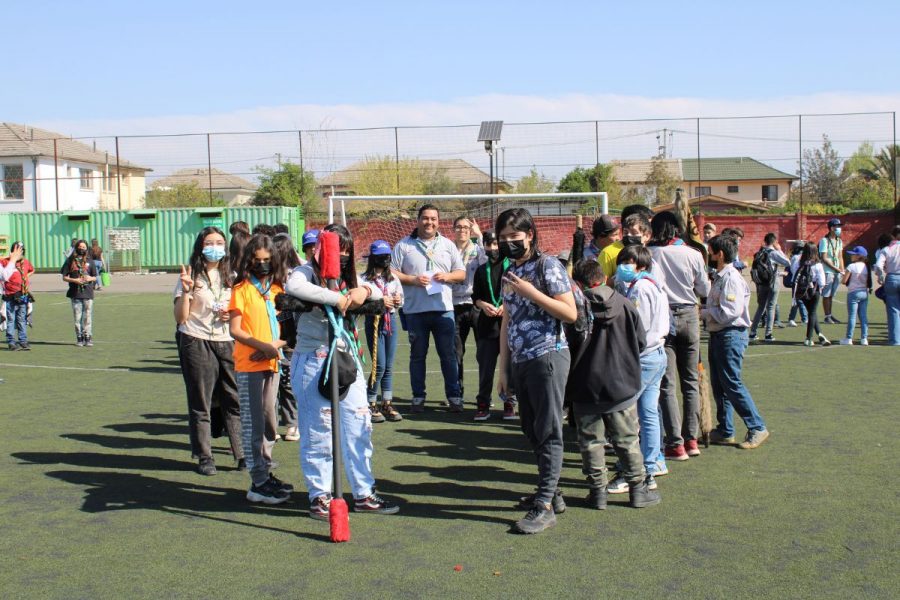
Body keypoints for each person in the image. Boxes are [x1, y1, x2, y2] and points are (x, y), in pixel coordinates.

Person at [285, 224, 399, 520]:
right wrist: (335, 298)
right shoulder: (306, 272)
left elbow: (373, 287)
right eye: (338, 250)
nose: (343, 256)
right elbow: (293, 288)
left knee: (359, 427)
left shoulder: (353, 277)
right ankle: (319, 496)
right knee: (318, 432)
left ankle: (364, 493)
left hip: (347, 361)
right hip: (313, 360)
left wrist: (361, 290)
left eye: (347, 250)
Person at [495, 208, 577, 535]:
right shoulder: (510, 270)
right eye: (502, 240)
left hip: (548, 356)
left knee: (548, 428)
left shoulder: (548, 266)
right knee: (530, 428)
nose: (508, 245)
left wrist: (532, 293)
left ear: (530, 235)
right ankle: (551, 490)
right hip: (521, 359)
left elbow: (569, 312)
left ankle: (544, 503)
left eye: (514, 239)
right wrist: (504, 368)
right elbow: (507, 320)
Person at [568, 259, 660, 510]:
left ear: (579, 283)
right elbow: (641, 341)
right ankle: (638, 490)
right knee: (628, 439)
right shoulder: (625, 303)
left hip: (585, 385)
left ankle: (598, 492)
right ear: (603, 277)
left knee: (590, 442)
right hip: (621, 384)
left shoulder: (574, 308)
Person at [227, 233, 293, 504]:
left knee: (269, 421)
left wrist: (272, 346)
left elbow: (289, 328)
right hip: (249, 365)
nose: (263, 264)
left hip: (271, 361)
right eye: (257, 260)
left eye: (267, 260)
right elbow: (235, 329)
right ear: (249, 261)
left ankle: (265, 471)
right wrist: (260, 346)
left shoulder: (279, 290)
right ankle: (257, 481)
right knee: (253, 422)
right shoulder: (241, 289)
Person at [174, 227, 244, 475]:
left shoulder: (233, 276)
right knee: (201, 402)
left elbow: (241, 310)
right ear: (200, 246)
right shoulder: (191, 275)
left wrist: (231, 314)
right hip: (196, 339)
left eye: (220, 242)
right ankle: (205, 456)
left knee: (233, 399)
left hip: (227, 340)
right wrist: (186, 291)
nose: (215, 247)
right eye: (210, 242)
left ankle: (242, 454)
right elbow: (181, 318)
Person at [607, 245, 670, 493]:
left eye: (629, 261)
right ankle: (653, 462)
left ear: (641, 264)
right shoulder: (651, 284)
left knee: (627, 415)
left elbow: (637, 327)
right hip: (656, 353)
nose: (624, 266)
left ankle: (632, 471)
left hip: (642, 356)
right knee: (649, 413)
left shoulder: (641, 289)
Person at [648, 211, 710, 461]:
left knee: (668, 384)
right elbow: (703, 288)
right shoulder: (694, 254)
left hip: (664, 315)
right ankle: (691, 438)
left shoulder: (652, 254)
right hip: (689, 313)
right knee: (690, 381)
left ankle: (675, 443)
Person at [391, 204, 466, 413]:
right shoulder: (403, 245)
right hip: (415, 311)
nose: (429, 222)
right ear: (417, 220)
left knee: (448, 356)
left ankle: (454, 397)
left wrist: (447, 276)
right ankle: (418, 396)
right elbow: (392, 272)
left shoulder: (448, 245)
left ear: (438, 221)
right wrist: (412, 280)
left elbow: (461, 273)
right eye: (425, 218)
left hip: (444, 311)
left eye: (433, 219)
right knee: (417, 356)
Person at [702, 234, 770, 449]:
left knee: (731, 383)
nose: (709, 256)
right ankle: (725, 429)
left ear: (719, 254)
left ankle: (757, 426)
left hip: (730, 333)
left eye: (711, 252)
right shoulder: (722, 276)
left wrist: (703, 312)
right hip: (720, 334)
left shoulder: (730, 278)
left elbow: (730, 312)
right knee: (720, 385)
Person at [471, 231, 516, 421]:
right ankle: (483, 404)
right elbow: (476, 297)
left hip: (509, 325)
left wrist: (505, 307)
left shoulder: (513, 269)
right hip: (487, 326)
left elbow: (519, 295)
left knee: (510, 367)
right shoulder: (481, 270)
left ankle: (509, 403)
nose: (493, 249)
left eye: (496, 244)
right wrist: (482, 305)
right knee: (486, 368)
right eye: (489, 245)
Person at [360, 240, 404, 422]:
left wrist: (396, 300)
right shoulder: (363, 279)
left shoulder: (393, 278)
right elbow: (360, 301)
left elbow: (401, 299)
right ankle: (370, 401)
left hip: (390, 320)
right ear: (372, 258)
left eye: (387, 256)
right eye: (380, 257)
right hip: (375, 321)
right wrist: (379, 302)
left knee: (389, 366)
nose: (385, 260)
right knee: (379, 365)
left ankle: (387, 401)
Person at [451, 216, 485, 401]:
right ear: (453, 229)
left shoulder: (477, 249)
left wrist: (479, 235)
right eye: (459, 227)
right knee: (456, 351)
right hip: (455, 305)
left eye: (466, 227)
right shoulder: (448, 249)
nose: (462, 230)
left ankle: (483, 395)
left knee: (483, 352)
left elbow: (488, 261)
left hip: (475, 305)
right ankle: (457, 393)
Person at [272, 233, 302, 442]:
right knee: (273, 382)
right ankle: (272, 424)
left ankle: (292, 423)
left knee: (288, 381)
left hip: (290, 334)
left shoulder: (296, 274)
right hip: (270, 333)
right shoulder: (267, 276)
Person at [749, 233, 791, 342]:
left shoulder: (759, 252)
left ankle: (753, 332)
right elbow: (787, 262)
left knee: (761, 307)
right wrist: (780, 250)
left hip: (761, 283)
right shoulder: (773, 253)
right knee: (771, 307)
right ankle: (768, 334)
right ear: (774, 242)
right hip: (773, 282)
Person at [792, 243, 831, 347]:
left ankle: (820, 334)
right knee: (812, 313)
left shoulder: (798, 262)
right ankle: (808, 338)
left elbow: (794, 275)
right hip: (814, 290)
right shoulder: (818, 265)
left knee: (811, 313)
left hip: (802, 291)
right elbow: (822, 282)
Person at [61, 239, 98, 347]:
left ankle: (88, 337)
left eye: (83, 247)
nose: (81, 249)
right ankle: (79, 337)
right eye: (80, 247)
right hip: (75, 293)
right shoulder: (70, 260)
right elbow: (64, 277)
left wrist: (90, 278)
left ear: (87, 248)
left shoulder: (90, 261)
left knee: (88, 316)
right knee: (77, 318)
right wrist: (75, 280)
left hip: (88, 293)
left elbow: (95, 277)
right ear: (76, 247)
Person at [2, 242, 34, 351]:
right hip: (10, 295)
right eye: (18, 250)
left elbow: (32, 270)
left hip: (22, 294)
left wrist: (25, 277)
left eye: (22, 251)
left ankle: (23, 341)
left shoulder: (25, 262)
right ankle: (11, 341)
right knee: (11, 319)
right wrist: (11, 258)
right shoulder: (6, 262)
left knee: (22, 318)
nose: (20, 253)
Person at [874, 225, 900, 345]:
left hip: (892, 278)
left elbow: (878, 265)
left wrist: (880, 276)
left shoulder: (886, 249)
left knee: (893, 310)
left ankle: (895, 340)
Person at [841, 246, 871, 346]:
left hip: (853, 293)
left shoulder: (851, 266)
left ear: (858, 256)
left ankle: (849, 338)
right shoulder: (866, 266)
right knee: (863, 316)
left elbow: (844, 281)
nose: (851, 256)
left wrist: (843, 275)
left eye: (853, 254)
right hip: (864, 293)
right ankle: (864, 338)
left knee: (852, 316)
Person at [818, 218, 845, 324]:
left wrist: (842, 269)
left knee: (831, 295)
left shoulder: (839, 241)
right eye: (837, 226)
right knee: (826, 294)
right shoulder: (824, 241)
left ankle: (830, 315)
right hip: (828, 271)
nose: (839, 228)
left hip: (837, 272)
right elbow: (823, 258)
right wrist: (837, 269)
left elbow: (840, 256)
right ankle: (827, 316)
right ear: (831, 228)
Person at [583, 215, 622, 280]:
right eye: (615, 235)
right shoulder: (584, 255)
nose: (618, 238)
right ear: (601, 236)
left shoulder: (620, 252)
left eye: (618, 234)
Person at [786, 242, 809, 327]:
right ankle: (804, 319)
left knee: (797, 300)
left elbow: (793, 269)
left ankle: (791, 319)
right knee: (799, 300)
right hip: (799, 281)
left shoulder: (796, 257)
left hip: (799, 281)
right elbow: (794, 269)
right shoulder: (798, 257)